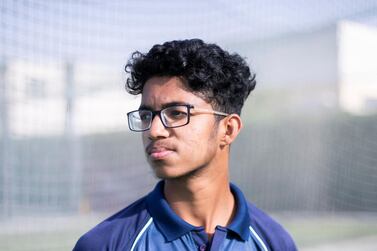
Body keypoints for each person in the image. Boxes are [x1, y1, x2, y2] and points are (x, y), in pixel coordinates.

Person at [73, 39, 297, 251]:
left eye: (177, 113)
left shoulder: (274, 242)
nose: (154, 131)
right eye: (146, 115)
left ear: (228, 130)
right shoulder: (105, 244)